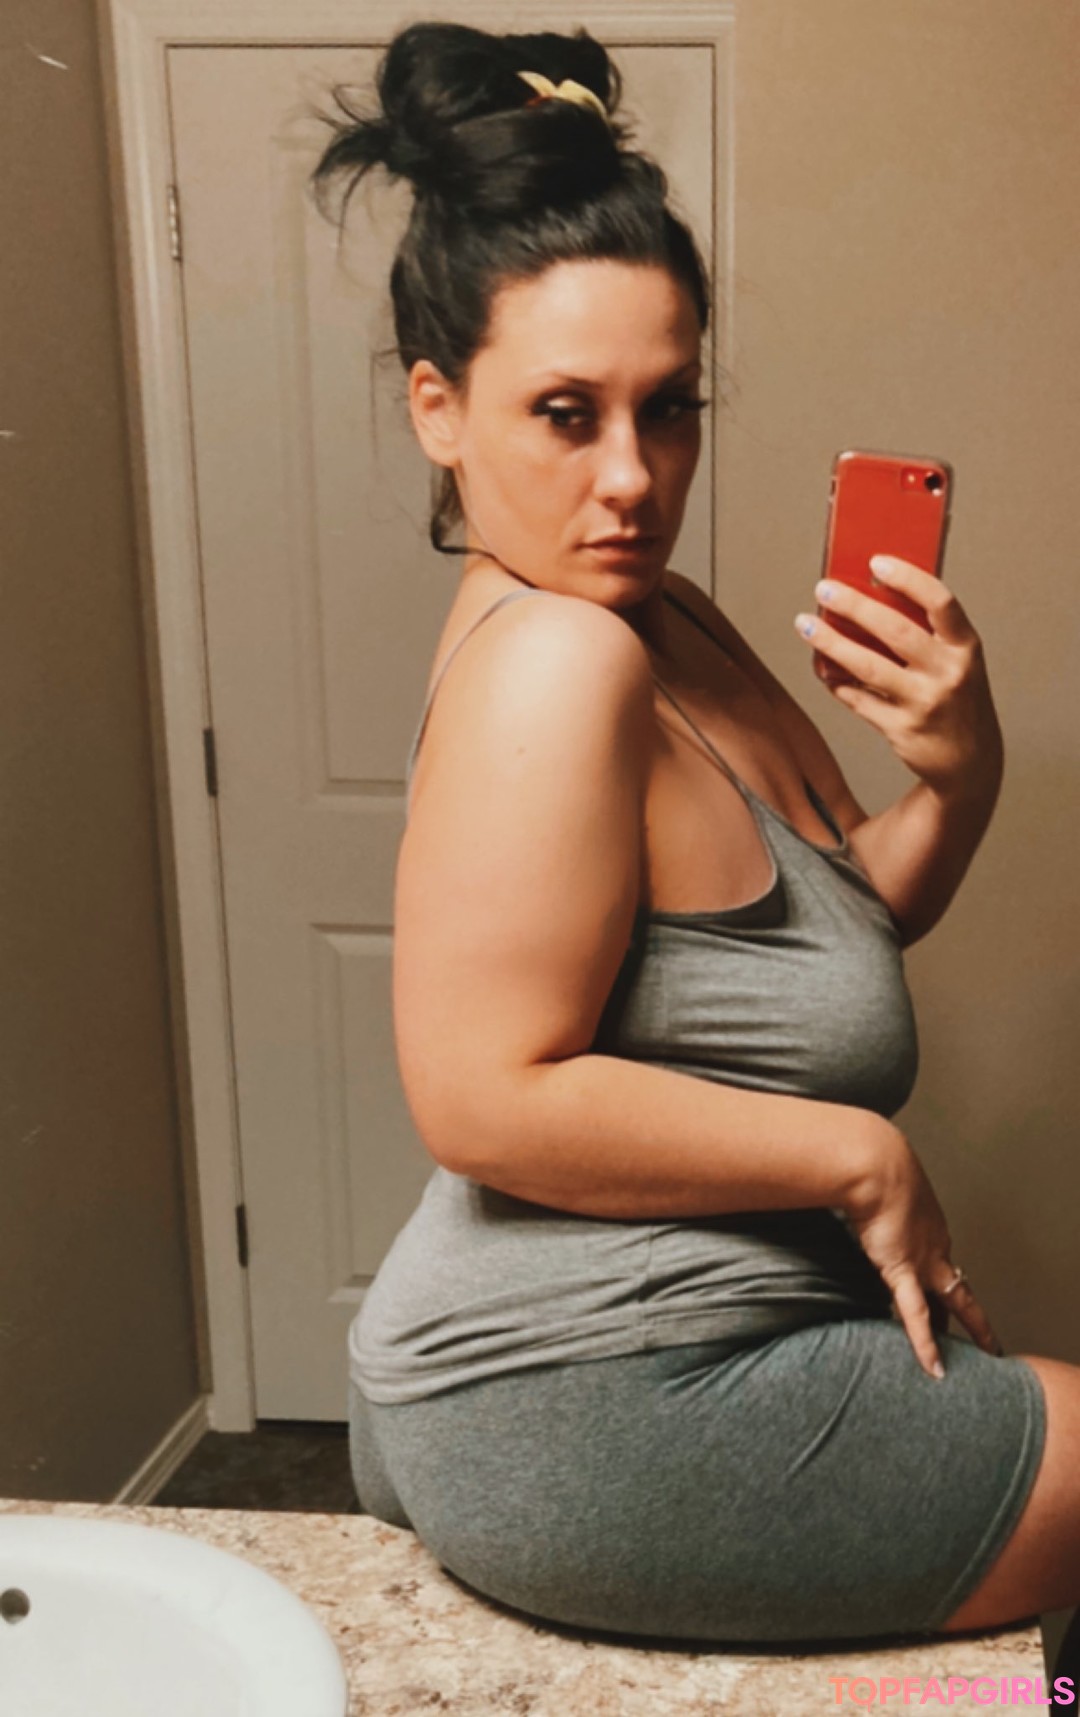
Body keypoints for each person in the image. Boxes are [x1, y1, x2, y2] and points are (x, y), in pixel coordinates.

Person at [310, 21, 1080, 1653]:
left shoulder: (663, 617)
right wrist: (860, 1155)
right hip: (584, 1390)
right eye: (565, 413)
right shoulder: (560, 660)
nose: (632, 479)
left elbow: (841, 922)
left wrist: (962, 770)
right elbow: (478, 1094)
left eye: (669, 409)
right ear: (439, 408)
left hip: (617, 1340)